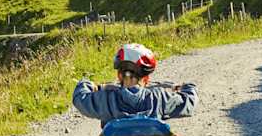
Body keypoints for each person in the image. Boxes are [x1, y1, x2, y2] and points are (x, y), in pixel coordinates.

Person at [71, 42, 199, 120]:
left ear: (119, 75)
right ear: (146, 78)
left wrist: (87, 84)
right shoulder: (159, 97)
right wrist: (187, 87)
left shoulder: (106, 98)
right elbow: (189, 103)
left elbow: (79, 98)